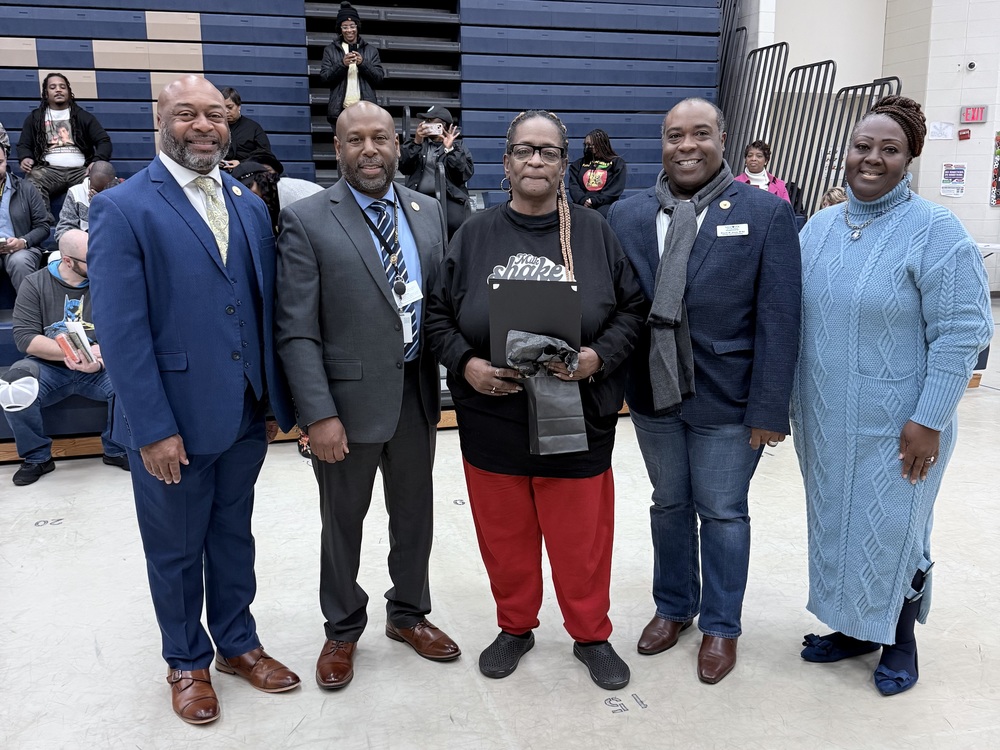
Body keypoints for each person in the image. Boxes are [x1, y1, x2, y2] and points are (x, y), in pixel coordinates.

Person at [87, 75, 299, 725]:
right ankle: (185, 660)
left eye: (213, 114)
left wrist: (269, 403)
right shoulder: (124, 207)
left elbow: (259, 310)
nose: (203, 125)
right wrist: (152, 428)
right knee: (176, 549)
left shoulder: (244, 199)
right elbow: (122, 332)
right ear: (160, 120)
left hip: (241, 413)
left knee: (234, 538)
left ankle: (237, 643)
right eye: (186, 114)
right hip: (169, 419)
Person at [425, 109, 646, 690]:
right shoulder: (474, 234)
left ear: (564, 164)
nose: (536, 161)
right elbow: (439, 315)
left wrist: (599, 357)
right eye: (525, 150)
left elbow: (631, 310)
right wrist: (466, 366)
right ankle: (515, 626)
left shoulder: (595, 235)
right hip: (493, 419)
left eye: (548, 152)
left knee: (581, 543)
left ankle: (591, 634)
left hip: (578, 420)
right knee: (505, 538)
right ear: (506, 162)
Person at [792, 96, 993, 696]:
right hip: (826, 417)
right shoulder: (819, 228)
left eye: (889, 149)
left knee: (894, 528)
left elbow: (963, 331)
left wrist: (929, 418)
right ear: (846, 150)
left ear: (910, 159)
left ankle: (898, 638)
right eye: (863, 146)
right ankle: (855, 628)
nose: (872, 158)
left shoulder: (937, 231)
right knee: (836, 525)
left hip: (904, 423)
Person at [607, 98, 801, 685]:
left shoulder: (766, 214)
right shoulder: (628, 214)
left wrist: (770, 409)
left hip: (729, 398)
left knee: (721, 511)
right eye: (674, 136)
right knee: (669, 505)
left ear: (723, 139)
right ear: (660, 144)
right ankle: (673, 609)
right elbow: (615, 304)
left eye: (700, 134)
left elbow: (780, 319)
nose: (686, 146)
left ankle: (721, 625)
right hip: (653, 393)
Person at [276, 101, 459, 691]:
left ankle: (409, 614)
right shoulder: (307, 219)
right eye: (356, 140)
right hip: (345, 406)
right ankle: (342, 627)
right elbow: (297, 328)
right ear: (338, 149)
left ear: (398, 145)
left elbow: (439, 303)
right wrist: (318, 415)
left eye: (380, 138)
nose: (370, 150)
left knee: (415, 516)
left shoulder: (427, 211)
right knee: (342, 522)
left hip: (415, 391)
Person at [2, 229, 129, 485]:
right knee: (13, 385)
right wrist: (76, 353)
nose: (98, 264)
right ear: (68, 261)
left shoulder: (109, 281)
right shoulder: (35, 283)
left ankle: (117, 449)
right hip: (49, 367)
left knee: (132, 377)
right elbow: (26, 338)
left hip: (102, 366)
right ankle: (37, 457)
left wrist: (101, 359)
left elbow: (124, 330)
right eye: (89, 260)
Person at [16, 73, 112, 218]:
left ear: (69, 91)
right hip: (49, 171)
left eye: (62, 87)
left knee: (106, 178)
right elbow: (24, 144)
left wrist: (96, 161)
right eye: (53, 87)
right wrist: (25, 157)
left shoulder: (82, 116)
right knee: (32, 180)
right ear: (46, 93)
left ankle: (99, 220)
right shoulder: (35, 118)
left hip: (81, 171)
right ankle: (43, 224)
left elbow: (104, 141)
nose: (58, 90)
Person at [399, 106, 474, 239]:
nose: (425, 124)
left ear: (443, 125)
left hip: (450, 198)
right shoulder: (418, 144)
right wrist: (417, 141)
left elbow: (463, 174)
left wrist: (449, 149)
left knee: (454, 223)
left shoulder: (458, 147)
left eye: (430, 121)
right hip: (419, 197)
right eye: (425, 121)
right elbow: (404, 166)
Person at [319, 2, 385, 129]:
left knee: (364, 146)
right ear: (340, 29)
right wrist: (342, 64)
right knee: (343, 147)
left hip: (366, 111)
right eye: (344, 27)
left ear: (357, 27)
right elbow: (324, 78)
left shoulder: (371, 50)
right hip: (340, 111)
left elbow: (379, 79)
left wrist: (363, 63)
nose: (349, 30)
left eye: (352, 26)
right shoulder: (330, 50)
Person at [0, 147, 50, 294]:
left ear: (6, 160)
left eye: (0, 162)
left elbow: (43, 226)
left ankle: (29, 314)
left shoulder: (26, 188)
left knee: (20, 261)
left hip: (21, 248)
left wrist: (23, 241)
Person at [233, 160, 323, 233]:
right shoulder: (271, 198)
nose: (247, 193)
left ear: (262, 179)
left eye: (248, 186)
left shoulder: (291, 192)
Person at [54, 160, 119, 241]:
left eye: (103, 191)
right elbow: (63, 230)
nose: (99, 195)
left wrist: (104, 207)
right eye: (94, 190)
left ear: (113, 182)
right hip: (83, 246)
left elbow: (125, 230)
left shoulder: (122, 192)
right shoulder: (76, 192)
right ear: (89, 178)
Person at [568, 128, 627, 217]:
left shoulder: (617, 163)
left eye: (591, 145)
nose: (588, 148)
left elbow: (615, 188)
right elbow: (574, 186)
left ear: (601, 145)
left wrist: (595, 201)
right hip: (581, 204)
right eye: (586, 144)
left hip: (605, 206)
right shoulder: (577, 164)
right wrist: (583, 200)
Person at [219, 87, 275, 171]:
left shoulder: (253, 128)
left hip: (247, 171)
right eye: (222, 108)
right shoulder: (216, 127)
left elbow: (266, 155)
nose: (226, 111)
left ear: (239, 107)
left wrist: (242, 163)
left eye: (230, 107)